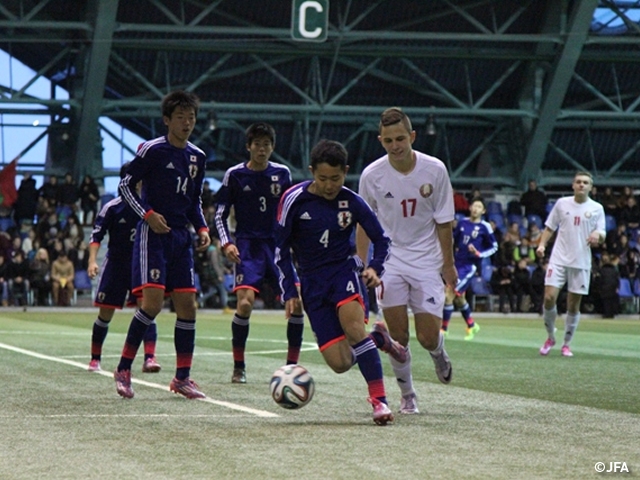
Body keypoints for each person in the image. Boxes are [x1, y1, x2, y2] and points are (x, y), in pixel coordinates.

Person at [275, 138, 405, 425]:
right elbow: (279, 249)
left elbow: (382, 240)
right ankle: (379, 339)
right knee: (341, 363)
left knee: (355, 329)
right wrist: (289, 289)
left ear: (345, 172)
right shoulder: (293, 200)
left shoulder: (352, 202)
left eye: (336, 178)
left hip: (343, 273)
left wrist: (374, 267)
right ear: (311, 171)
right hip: (311, 283)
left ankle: (379, 402)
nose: (329, 185)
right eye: (322, 178)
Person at [356, 107, 456, 415]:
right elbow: (362, 222)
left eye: (400, 138)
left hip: (427, 259)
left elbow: (444, 222)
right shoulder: (372, 175)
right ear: (380, 140)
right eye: (388, 141)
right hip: (390, 260)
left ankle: (439, 353)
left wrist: (448, 265)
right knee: (397, 336)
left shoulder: (435, 169)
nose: (395, 145)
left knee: (427, 337)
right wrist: (361, 262)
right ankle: (407, 394)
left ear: (412, 136)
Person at [113, 90, 211, 399]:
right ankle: (124, 368)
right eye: (180, 117)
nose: (187, 123)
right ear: (167, 120)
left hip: (181, 238)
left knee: (188, 308)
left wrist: (202, 227)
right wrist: (148, 214)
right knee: (152, 305)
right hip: (152, 235)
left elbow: (194, 199)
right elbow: (125, 186)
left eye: (191, 117)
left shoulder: (198, 157)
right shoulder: (151, 150)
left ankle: (182, 378)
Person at [214, 122, 305, 384]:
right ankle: (239, 367)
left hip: (277, 247)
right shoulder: (235, 175)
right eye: (257, 144)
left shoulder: (283, 173)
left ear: (272, 147)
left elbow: (292, 210)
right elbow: (220, 213)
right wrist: (226, 242)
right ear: (248, 147)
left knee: (296, 303)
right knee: (244, 304)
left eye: (266, 145)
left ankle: (292, 368)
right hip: (247, 247)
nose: (262, 149)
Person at [86, 162, 160, 374]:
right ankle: (95, 359)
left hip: (140, 263)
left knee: (146, 307)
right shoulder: (112, 207)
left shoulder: (149, 209)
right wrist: (92, 261)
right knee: (105, 313)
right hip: (116, 264)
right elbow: (96, 236)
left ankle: (149, 358)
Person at [536, 171, 605, 357]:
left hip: (581, 262)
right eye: (578, 182)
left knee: (573, 306)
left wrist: (598, 235)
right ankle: (550, 337)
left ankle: (566, 343)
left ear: (591, 187)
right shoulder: (562, 204)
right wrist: (542, 244)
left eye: (585, 182)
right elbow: (550, 227)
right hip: (558, 259)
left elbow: (602, 232)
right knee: (549, 297)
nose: (581, 185)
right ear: (573, 185)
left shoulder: (597, 208)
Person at [442, 198, 497, 339]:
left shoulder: (485, 227)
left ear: (483, 211)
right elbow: (453, 241)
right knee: (459, 298)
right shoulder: (462, 223)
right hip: (457, 264)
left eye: (479, 206)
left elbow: (494, 247)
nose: (475, 208)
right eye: (474, 205)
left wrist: (478, 254)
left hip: (469, 266)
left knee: (449, 292)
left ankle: (444, 329)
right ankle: (472, 325)